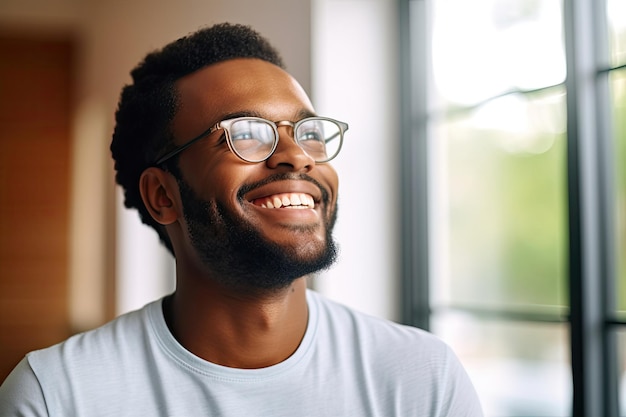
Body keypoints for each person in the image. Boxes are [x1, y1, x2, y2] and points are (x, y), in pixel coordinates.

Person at [0, 23, 483, 416]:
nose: (296, 156)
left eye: (308, 132)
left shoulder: (421, 375)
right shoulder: (56, 395)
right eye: (247, 133)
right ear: (162, 195)